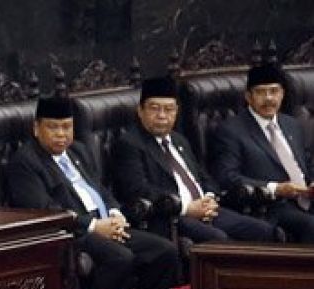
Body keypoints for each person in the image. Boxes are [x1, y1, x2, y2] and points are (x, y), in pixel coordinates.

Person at [5, 96, 178, 289]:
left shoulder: (79, 151)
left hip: (104, 224)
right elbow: (45, 210)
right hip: (71, 232)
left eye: (67, 127)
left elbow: (100, 189)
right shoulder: (25, 162)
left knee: (164, 252)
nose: (61, 135)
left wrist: (116, 213)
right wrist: (94, 226)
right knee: (120, 257)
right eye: (53, 127)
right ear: (36, 128)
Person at [112, 76, 275, 243]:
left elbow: (202, 176)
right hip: (172, 217)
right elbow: (136, 189)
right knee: (218, 238)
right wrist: (186, 207)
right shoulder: (130, 143)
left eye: (169, 110)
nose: (162, 116)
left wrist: (210, 197)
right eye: (155, 109)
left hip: (206, 209)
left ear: (176, 112)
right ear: (140, 111)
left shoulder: (178, 140)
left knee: (263, 231)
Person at [212, 64, 314, 243]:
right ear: (248, 97)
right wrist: (275, 188)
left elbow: (307, 162)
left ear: (282, 94)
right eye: (261, 92)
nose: (268, 98)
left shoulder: (293, 124)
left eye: (274, 91)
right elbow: (227, 177)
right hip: (271, 207)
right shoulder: (231, 130)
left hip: (307, 198)